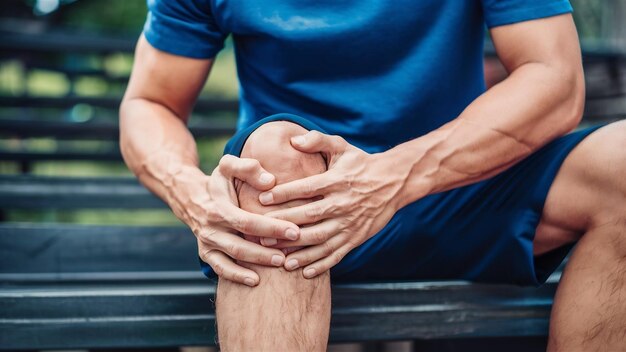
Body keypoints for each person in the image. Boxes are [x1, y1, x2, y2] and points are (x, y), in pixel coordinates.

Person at [119, 1, 626, 351]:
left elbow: (554, 77)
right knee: (274, 161)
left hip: (454, 190)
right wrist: (192, 196)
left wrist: (392, 176)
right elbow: (150, 102)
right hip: (298, 216)